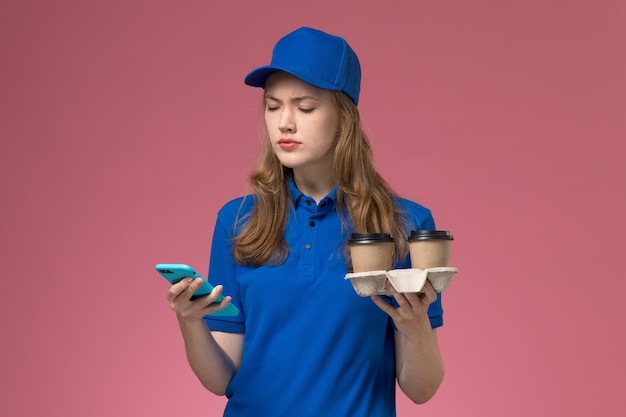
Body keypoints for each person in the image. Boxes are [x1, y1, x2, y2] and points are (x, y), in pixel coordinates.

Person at [166, 27, 445, 417]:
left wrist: (416, 329)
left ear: (343, 116)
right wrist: (190, 321)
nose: (285, 122)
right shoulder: (237, 221)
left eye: (306, 107)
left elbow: (422, 389)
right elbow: (221, 379)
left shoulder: (404, 223)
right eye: (273, 105)